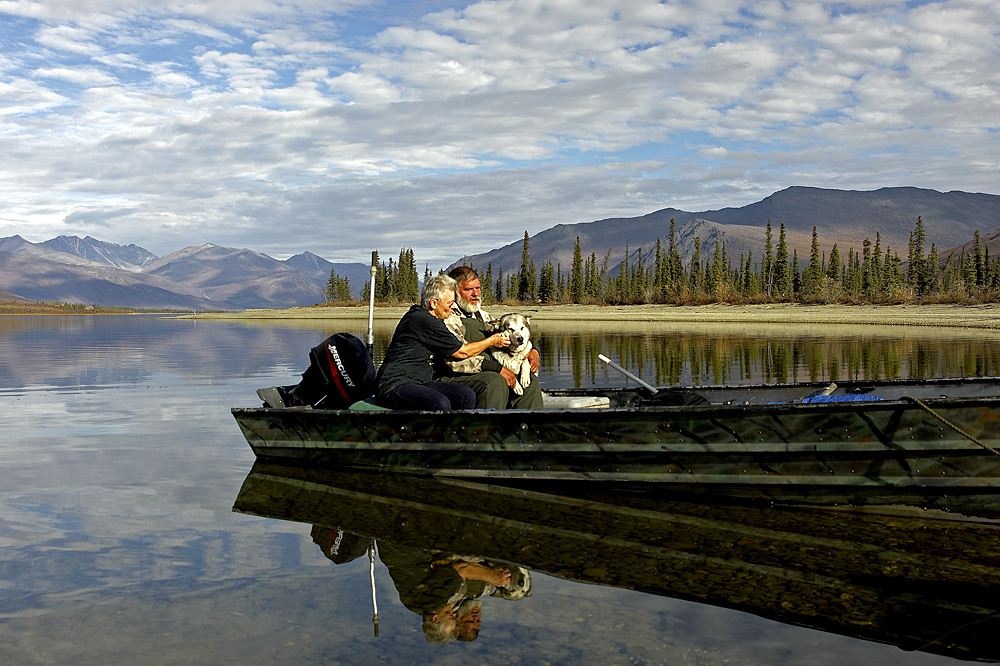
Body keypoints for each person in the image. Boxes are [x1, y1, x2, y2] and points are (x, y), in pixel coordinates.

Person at [376, 274, 511, 410]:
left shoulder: (425, 316)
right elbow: (462, 352)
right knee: (439, 403)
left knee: (466, 395)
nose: (453, 307)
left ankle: (460, 430)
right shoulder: (423, 320)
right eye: (450, 304)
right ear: (434, 303)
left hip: (421, 382)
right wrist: (492, 341)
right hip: (395, 385)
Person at [435, 266, 543, 409]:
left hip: (490, 371)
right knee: (494, 381)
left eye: (477, 288)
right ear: (454, 291)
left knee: (529, 382)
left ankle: (527, 428)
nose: (475, 294)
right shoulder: (448, 317)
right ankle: (488, 429)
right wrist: (497, 369)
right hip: (454, 376)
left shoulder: (483, 316)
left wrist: (533, 352)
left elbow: (513, 335)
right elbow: (452, 362)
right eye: (468, 290)